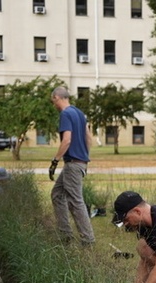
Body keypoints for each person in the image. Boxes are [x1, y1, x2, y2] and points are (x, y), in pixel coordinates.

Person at [49, 86, 95, 246]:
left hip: (73, 164)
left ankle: (88, 239)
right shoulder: (79, 113)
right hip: (80, 162)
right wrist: (85, 158)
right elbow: (89, 138)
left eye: (53, 101)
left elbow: (66, 140)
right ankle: (65, 234)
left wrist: (55, 160)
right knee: (57, 194)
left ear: (57, 98)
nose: (53, 104)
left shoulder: (66, 114)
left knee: (76, 201)